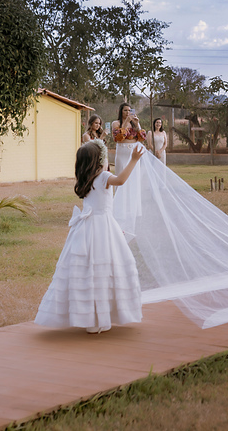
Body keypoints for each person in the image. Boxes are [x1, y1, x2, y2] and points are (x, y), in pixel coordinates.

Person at [34, 142, 143, 334]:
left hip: (85, 229)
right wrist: (133, 160)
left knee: (87, 272)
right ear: (100, 160)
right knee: (103, 271)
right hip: (103, 229)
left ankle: (91, 318)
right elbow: (121, 180)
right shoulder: (103, 177)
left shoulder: (85, 178)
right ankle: (101, 317)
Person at [111, 103, 145, 175]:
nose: (127, 112)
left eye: (129, 110)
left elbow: (142, 137)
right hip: (122, 150)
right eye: (125, 110)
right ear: (121, 111)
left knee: (134, 173)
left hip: (134, 150)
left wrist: (137, 124)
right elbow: (119, 137)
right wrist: (126, 122)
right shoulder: (116, 123)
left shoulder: (134, 123)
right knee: (122, 171)